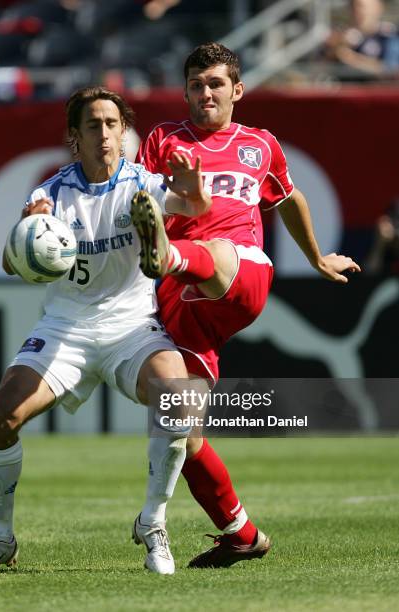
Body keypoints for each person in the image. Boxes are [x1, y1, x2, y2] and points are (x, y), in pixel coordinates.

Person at [0, 86, 213, 576]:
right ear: (74, 138)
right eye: (92, 125)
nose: (103, 133)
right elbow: (9, 264)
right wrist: (25, 236)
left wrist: (194, 185)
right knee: (1, 418)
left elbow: (195, 207)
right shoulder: (49, 194)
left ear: (124, 133)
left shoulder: (142, 184)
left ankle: (153, 523)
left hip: (132, 327)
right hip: (65, 329)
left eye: (111, 124)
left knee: (179, 400)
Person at [134, 42, 361, 568]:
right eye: (195, 84)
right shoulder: (162, 140)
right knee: (178, 426)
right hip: (178, 304)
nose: (205, 92)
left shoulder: (259, 144)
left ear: (237, 89)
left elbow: (289, 199)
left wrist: (319, 258)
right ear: (186, 90)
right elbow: (134, 196)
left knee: (218, 251)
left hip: (239, 271)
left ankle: (168, 253)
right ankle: (241, 532)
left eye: (215, 83)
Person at [325, 0, 399, 79]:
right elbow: (321, 68)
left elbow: (391, 70)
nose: (359, 11)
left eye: (362, 7)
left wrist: (351, 59)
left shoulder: (388, 36)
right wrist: (334, 50)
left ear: (378, 8)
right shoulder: (343, 36)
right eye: (354, 7)